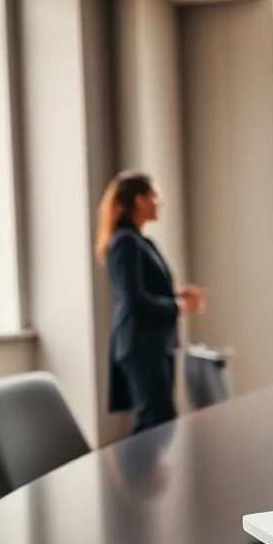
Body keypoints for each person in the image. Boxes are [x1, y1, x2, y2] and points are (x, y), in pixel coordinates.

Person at [95, 171, 206, 434]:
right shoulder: (125, 242)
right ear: (139, 199)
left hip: (154, 345)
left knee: (159, 420)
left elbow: (142, 289)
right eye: (155, 195)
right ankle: (139, 474)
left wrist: (176, 294)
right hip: (142, 346)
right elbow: (134, 300)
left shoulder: (140, 242)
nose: (160, 201)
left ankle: (145, 473)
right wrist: (180, 307)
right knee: (156, 422)